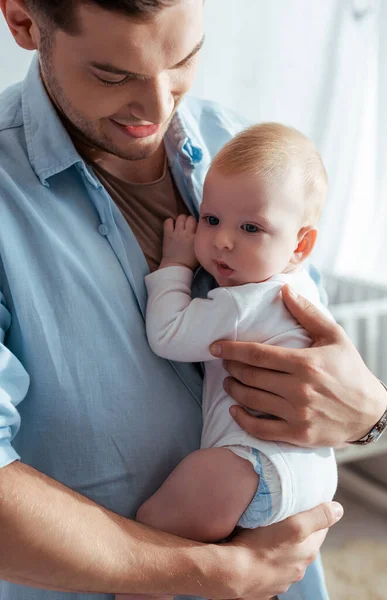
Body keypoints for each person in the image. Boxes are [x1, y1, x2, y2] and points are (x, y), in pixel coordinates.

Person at [0, 1, 387, 599]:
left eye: (184, 59)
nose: (158, 109)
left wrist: (370, 414)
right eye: (113, 75)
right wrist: (206, 573)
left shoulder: (236, 142)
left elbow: (317, 341)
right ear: (24, 22)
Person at [122, 123, 338, 600]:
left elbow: (168, 334)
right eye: (211, 219)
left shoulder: (246, 302)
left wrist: (175, 264)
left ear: (300, 246)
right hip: (309, 476)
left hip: (248, 466)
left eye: (250, 228)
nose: (221, 242)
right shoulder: (303, 290)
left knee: (150, 539)